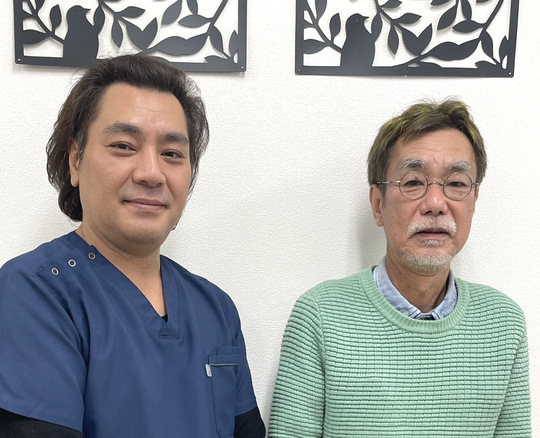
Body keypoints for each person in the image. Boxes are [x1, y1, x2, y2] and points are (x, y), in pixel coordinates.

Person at [0, 54, 265, 437]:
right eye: (124, 145)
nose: (151, 173)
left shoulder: (216, 308)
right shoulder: (34, 293)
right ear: (75, 161)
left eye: (172, 154)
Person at [269, 99, 530, 437]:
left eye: (456, 183)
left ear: (474, 201)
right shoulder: (320, 316)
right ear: (378, 205)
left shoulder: (504, 324)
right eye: (412, 182)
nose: (435, 204)